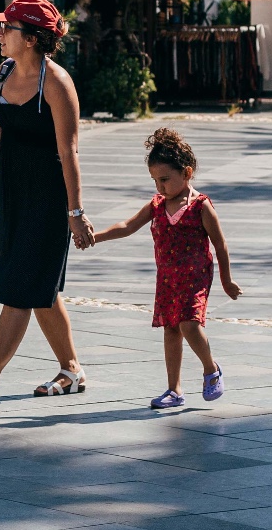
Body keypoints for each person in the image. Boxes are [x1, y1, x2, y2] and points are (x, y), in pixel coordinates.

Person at [0, 0, 93, 404]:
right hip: (13, 198)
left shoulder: (56, 82)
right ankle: (72, 369)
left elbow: (69, 152)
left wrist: (75, 212)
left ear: (31, 38)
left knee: (20, 286)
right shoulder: (3, 72)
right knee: (40, 288)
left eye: (6, 28)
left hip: (49, 203)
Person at [91, 128, 241, 410]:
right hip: (168, 279)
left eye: (164, 180)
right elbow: (127, 226)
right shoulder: (157, 205)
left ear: (186, 173)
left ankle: (211, 369)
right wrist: (96, 236)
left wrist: (226, 280)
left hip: (196, 277)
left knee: (188, 323)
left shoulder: (201, 207)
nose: (160, 187)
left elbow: (220, 245)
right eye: (155, 181)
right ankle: (174, 390)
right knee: (171, 330)